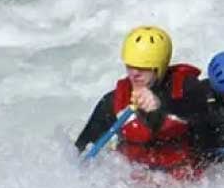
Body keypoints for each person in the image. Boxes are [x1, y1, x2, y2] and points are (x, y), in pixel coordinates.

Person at [74, 25, 207, 178]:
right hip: (135, 181)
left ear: (159, 67)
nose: (134, 74)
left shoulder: (188, 90)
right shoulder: (113, 101)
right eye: (130, 66)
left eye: (143, 68)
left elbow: (199, 120)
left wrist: (159, 108)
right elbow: (81, 150)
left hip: (181, 180)